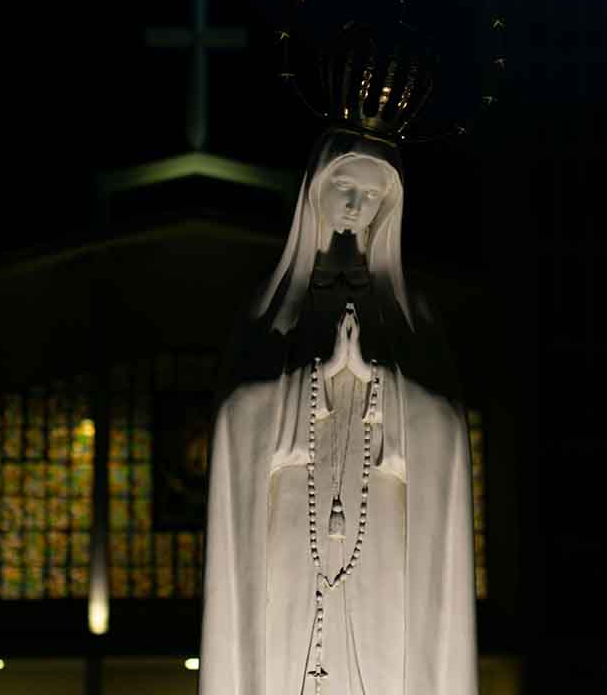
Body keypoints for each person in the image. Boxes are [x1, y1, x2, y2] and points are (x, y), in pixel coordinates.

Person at [199, 127, 478, 695]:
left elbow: (446, 430)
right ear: (314, 191)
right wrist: (316, 376)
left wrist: (378, 378)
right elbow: (234, 420)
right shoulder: (272, 308)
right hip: (287, 544)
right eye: (344, 187)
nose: (355, 206)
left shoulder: (410, 312)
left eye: (371, 196)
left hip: (382, 546)